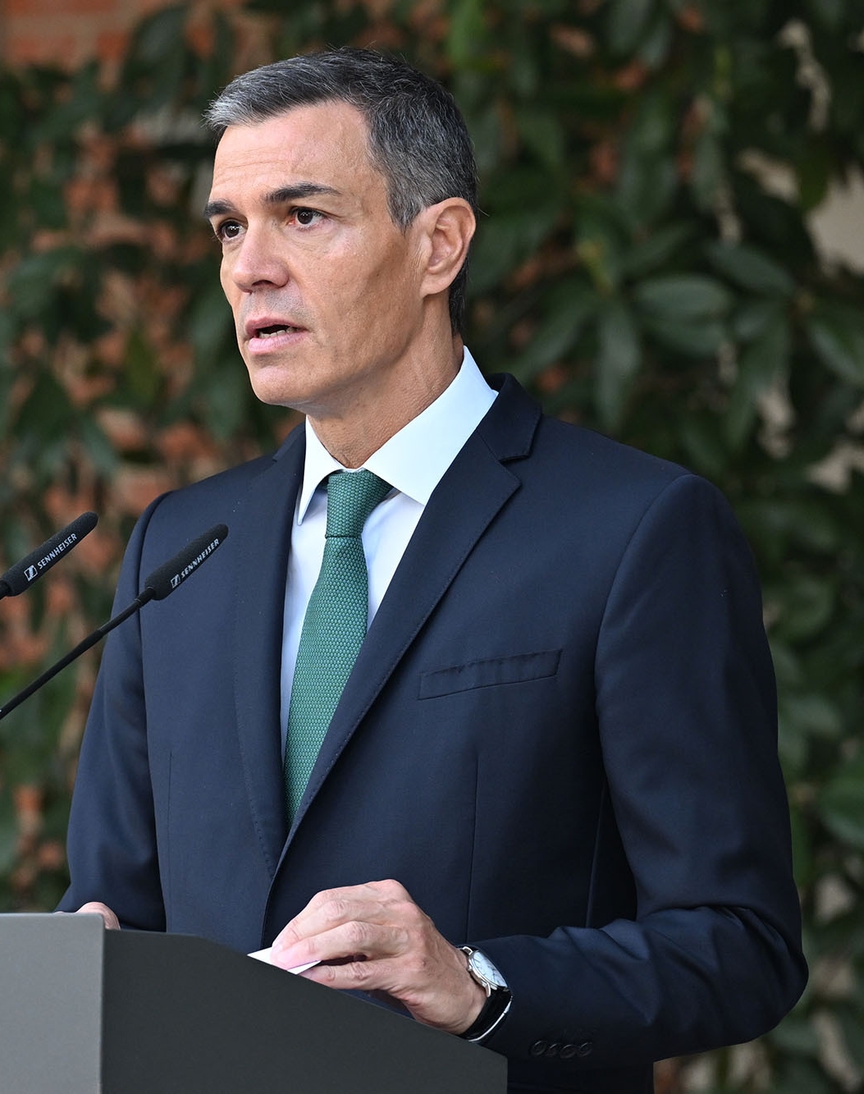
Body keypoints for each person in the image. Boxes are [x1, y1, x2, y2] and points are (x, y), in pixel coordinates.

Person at [59, 48, 805, 1091]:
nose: (247, 266)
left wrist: (477, 981)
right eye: (229, 226)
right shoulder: (182, 546)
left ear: (438, 245)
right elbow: (113, 907)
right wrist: (74, 952)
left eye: (302, 216)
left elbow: (736, 944)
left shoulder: (635, 530)